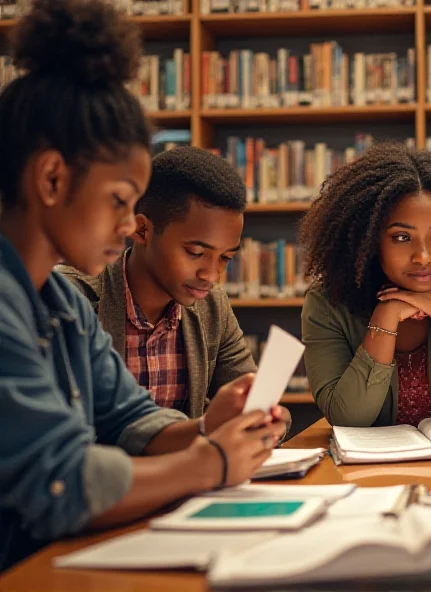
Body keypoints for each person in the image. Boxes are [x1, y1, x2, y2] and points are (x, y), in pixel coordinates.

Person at [0, 0, 285, 571]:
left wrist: (209, 427)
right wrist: (212, 463)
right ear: (53, 178)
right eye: (118, 202)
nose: (131, 227)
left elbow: (129, 419)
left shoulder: (60, 308)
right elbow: (60, 482)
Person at [58, 147, 290, 437]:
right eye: (195, 252)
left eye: (225, 258)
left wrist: (265, 417)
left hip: (190, 478)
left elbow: (248, 389)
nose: (211, 275)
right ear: (142, 230)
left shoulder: (212, 307)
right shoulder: (71, 297)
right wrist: (205, 431)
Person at [299, 143, 431, 427]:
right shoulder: (328, 304)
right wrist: (385, 319)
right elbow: (347, 417)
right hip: (370, 471)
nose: (424, 257)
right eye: (402, 237)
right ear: (369, 240)